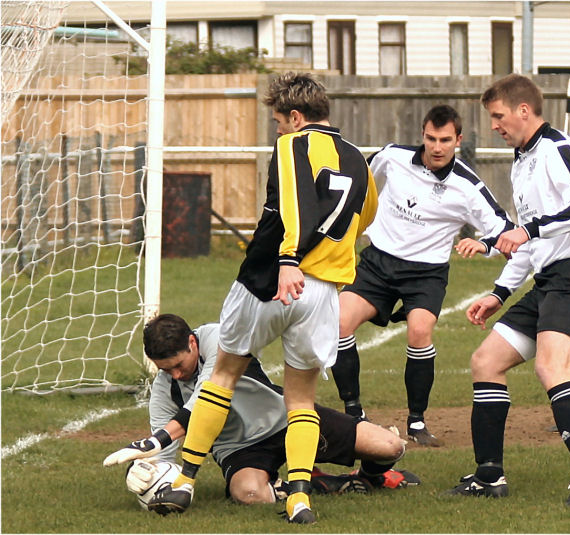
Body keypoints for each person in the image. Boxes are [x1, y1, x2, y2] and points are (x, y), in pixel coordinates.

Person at [140, 73, 378, 524]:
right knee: (301, 401)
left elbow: (295, 201)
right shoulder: (358, 160)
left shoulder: (293, 145)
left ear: (295, 116)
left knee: (224, 376)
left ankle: (184, 481)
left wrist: (290, 257)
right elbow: (365, 217)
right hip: (324, 289)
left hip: (272, 276)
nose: (277, 130)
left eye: (278, 122)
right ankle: (300, 497)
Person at [447, 74, 570, 507]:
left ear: (524, 110)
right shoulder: (520, 161)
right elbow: (527, 241)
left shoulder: (557, 148)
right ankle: (489, 475)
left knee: (552, 366)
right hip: (550, 281)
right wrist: (498, 294)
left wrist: (528, 229)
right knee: (486, 361)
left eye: (499, 116)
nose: (495, 126)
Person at [331, 104, 514, 447]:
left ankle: (416, 422)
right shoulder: (393, 157)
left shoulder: (468, 186)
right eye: (431, 138)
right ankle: (353, 413)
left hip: (426, 274)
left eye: (445, 140)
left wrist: (484, 245)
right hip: (377, 263)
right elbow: (359, 179)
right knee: (340, 322)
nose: (437, 147)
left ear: (458, 140)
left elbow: (504, 229)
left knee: (419, 331)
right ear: (423, 136)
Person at [103, 315, 419, 510]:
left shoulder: (219, 338)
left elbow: (206, 397)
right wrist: (149, 476)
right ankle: (320, 482)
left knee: (390, 447)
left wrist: (156, 439)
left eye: (177, 366)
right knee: (251, 495)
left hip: (287, 419)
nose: (174, 376)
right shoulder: (163, 392)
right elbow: (166, 457)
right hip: (238, 450)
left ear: (192, 342)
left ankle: (370, 478)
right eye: (164, 370)